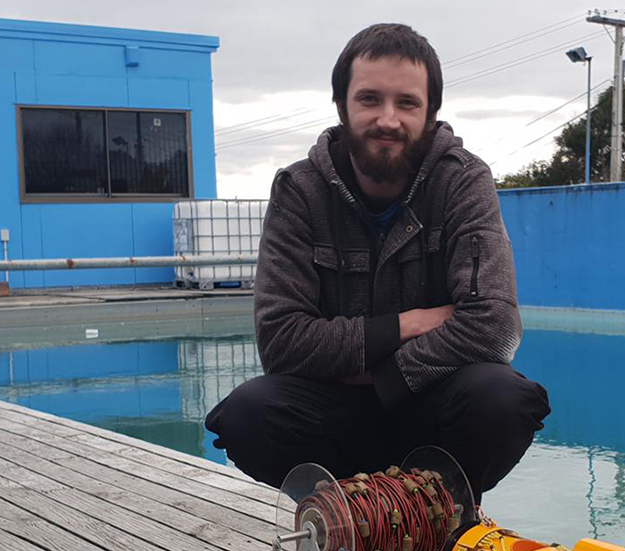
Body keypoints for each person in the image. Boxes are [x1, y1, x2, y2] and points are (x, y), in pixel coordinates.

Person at [205, 23, 550, 502]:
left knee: (503, 398)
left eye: (407, 103)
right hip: (333, 424)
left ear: (430, 112)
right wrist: (406, 324)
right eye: (370, 99)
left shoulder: (463, 182)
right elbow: (282, 343)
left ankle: (442, 511)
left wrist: (384, 377)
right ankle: (340, 517)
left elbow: (495, 328)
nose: (388, 119)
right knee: (248, 412)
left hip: (431, 414)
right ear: (342, 105)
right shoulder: (299, 191)